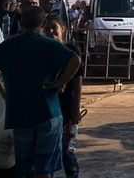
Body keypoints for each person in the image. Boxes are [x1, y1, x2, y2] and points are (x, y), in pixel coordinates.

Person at [0, 6, 81, 178]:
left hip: (19, 113)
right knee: (44, 168)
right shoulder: (50, 45)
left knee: (25, 168)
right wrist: (61, 83)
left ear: (21, 23)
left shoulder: (8, 46)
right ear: (44, 23)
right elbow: (75, 60)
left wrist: (3, 90)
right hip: (48, 112)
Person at [44, 17, 82, 178]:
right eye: (47, 29)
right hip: (47, 107)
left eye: (54, 28)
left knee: (66, 149)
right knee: (47, 150)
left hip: (66, 106)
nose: (51, 31)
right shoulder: (42, 52)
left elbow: (78, 82)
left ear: (63, 29)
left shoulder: (72, 50)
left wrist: (76, 109)